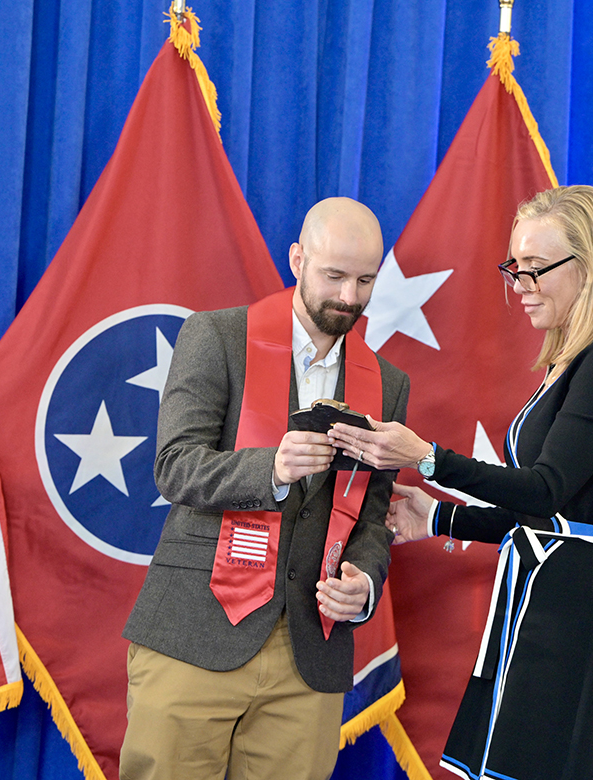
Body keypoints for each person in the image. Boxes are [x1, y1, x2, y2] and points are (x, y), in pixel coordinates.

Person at [329, 185, 593, 780]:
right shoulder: (575, 360)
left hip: (574, 609)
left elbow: (544, 490)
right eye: (515, 268)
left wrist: (429, 457)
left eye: (536, 269)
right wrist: (436, 517)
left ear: (591, 266)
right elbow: (543, 516)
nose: (521, 286)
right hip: (544, 596)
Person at [120, 197, 410, 780]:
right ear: (297, 259)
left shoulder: (390, 384)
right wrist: (270, 470)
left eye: (365, 281)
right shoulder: (217, 336)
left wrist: (365, 583)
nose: (349, 298)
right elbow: (174, 466)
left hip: (311, 652)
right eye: (334, 276)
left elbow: (372, 517)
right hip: (196, 631)